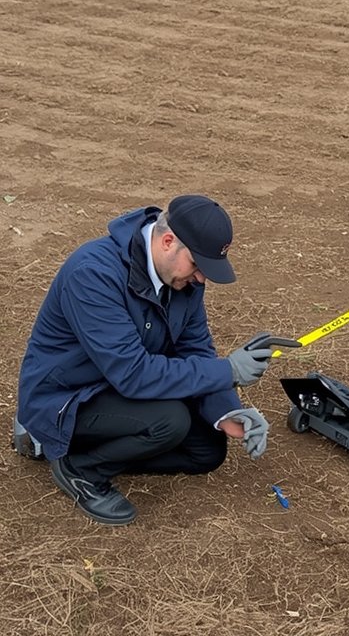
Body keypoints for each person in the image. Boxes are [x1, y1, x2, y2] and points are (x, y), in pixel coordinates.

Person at [17, 195, 276, 525]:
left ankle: (68, 450)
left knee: (207, 451)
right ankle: (80, 469)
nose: (201, 279)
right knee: (170, 422)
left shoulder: (183, 281)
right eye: (198, 265)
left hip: (119, 391)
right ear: (168, 241)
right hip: (66, 398)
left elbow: (195, 350)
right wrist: (228, 371)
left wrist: (227, 410)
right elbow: (133, 374)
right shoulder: (93, 273)